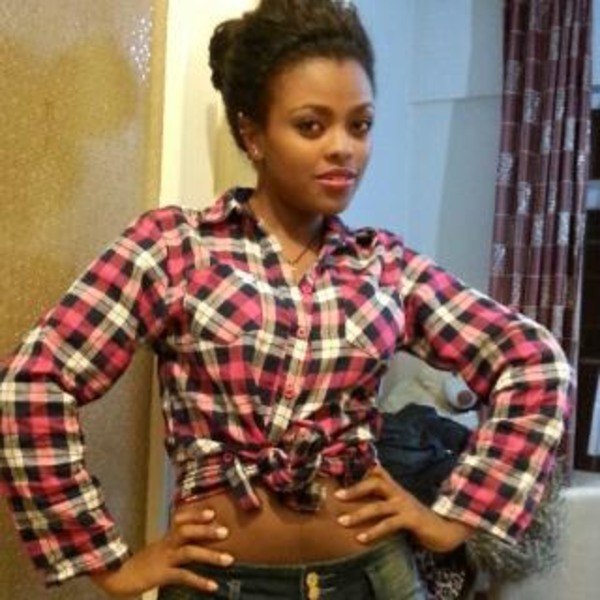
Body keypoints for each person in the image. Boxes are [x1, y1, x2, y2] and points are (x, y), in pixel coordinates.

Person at [0, 0, 572, 598]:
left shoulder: (385, 267)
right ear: (253, 134)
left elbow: (533, 362)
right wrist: (110, 564)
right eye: (311, 126)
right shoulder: (176, 249)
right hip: (219, 585)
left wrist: (453, 520)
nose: (344, 149)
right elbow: (35, 382)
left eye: (360, 125)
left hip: (374, 579)